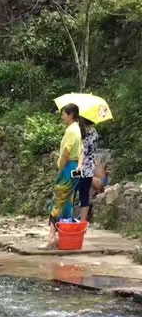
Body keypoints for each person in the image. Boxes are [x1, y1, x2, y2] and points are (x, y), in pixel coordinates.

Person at [49, 103, 82, 242]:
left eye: (64, 114)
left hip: (68, 168)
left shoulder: (71, 131)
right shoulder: (78, 129)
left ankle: (50, 238)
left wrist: (60, 169)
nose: (62, 116)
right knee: (68, 202)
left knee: (57, 201)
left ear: (71, 115)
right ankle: (63, 237)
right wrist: (79, 167)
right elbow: (82, 151)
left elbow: (66, 153)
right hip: (75, 168)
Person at [76, 115, 99, 223]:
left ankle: (70, 219)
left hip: (79, 168)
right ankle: (83, 221)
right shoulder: (94, 132)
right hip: (89, 169)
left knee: (73, 192)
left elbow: (82, 151)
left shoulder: (85, 133)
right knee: (84, 194)